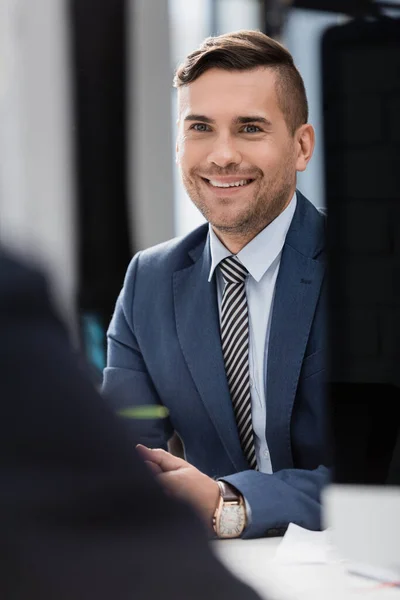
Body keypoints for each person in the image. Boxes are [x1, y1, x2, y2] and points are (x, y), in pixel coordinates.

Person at [103, 30, 329, 540]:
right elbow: (124, 449)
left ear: (301, 146)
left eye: (250, 128)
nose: (222, 156)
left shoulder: (373, 271)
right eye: (201, 127)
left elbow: (381, 481)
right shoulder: (149, 281)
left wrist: (234, 503)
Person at [0, 249, 260, 600]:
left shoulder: (352, 257)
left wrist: (229, 501)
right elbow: (128, 458)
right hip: (216, 557)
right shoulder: (148, 276)